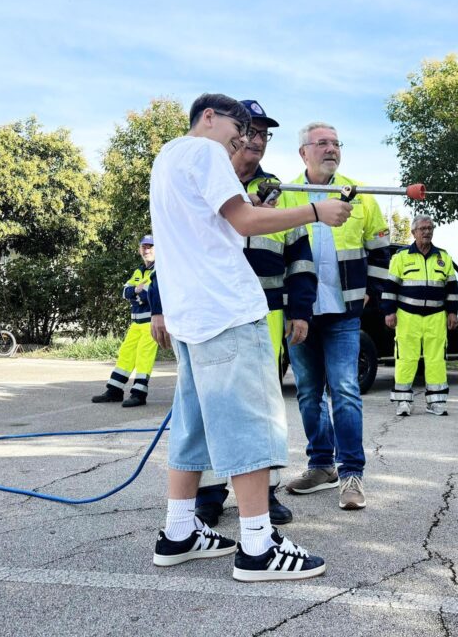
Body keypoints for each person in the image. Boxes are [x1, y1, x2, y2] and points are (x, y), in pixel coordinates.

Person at [148, 93, 351, 582]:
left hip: (192, 317)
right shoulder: (206, 151)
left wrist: (252, 208)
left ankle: (180, 530)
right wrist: (316, 212)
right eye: (237, 128)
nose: (241, 139)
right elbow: (244, 222)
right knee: (251, 425)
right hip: (228, 311)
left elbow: (217, 229)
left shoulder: (167, 158)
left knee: (193, 426)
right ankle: (258, 546)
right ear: (209, 116)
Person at [194, 100, 315, 529]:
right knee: (212, 404)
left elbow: (301, 256)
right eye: (250, 131)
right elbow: (175, 249)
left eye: (265, 134)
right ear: (234, 134)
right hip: (214, 312)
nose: (258, 140)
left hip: (268, 310)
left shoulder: (282, 191)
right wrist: (160, 308)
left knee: (264, 406)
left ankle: (265, 493)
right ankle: (209, 493)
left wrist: (301, 310)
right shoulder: (207, 178)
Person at [280, 122, 391, 510]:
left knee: (345, 390)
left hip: (344, 312)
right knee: (308, 393)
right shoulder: (285, 195)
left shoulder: (359, 196)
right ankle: (321, 465)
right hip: (300, 313)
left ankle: (351, 474)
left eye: (336, 143)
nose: (331, 149)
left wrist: (372, 291)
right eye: (322, 143)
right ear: (303, 152)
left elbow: (381, 249)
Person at [382, 215, 458, 416]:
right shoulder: (401, 257)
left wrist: (452, 312)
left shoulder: (444, 257)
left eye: (430, 228)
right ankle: (403, 402)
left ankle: (436, 402)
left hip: (436, 317)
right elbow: (390, 288)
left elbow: (452, 289)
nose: (427, 232)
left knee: (436, 360)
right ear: (413, 232)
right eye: (423, 228)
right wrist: (389, 312)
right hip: (407, 317)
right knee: (406, 359)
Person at [92, 235, 159, 407]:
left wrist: (136, 293)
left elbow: (149, 295)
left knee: (144, 357)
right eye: (144, 247)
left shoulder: (159, 270)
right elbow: (125, 292)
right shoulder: (138, 271)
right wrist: (136, 292)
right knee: (125, 354)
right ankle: (114, 390)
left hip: (150, 322)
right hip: (136, 323)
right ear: (139, 249)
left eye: (150, 246)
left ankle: (139, 394)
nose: (147, 250)